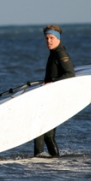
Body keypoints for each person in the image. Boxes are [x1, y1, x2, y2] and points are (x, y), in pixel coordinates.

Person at [34, 24, 75, 157]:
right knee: (39, 133)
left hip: (56, 100)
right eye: (46, 38)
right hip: (49, 99)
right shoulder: (53, 53)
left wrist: (52, 82)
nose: (49, 41)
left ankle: (53, 160)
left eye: (51, 38)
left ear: (58, 38)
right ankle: (38, 159)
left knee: (47, 136)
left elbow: (70, 74)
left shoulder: (60, 54)